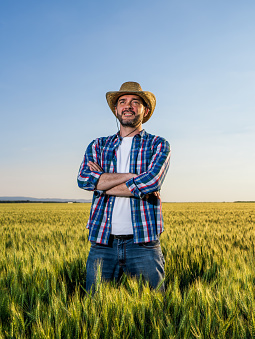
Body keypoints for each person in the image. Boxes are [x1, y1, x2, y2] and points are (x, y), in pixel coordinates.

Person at [77, 81, 170, 292]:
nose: (128, 105)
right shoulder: (98, 145)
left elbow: (151, 182)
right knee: (96, 310)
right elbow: (84, 180)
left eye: (135, 101)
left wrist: (101, 182)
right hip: (102, 243)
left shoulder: (158, 144)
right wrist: (132, 176)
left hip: (144, 244)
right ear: (116, 110)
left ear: (145, 111)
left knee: (154, 312)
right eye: (122, 101)